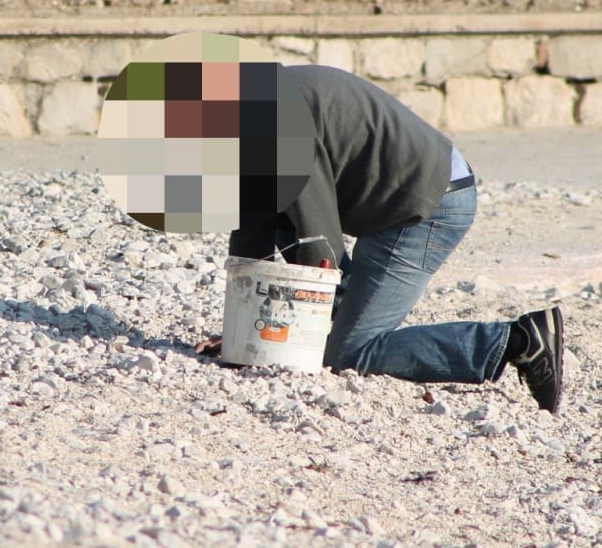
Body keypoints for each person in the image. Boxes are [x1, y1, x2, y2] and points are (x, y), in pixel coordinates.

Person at [208, 65, 564, 413]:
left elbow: (320, 246)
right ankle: (350, 315)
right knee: (282, 214)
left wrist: (267, 338)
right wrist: (244, 333)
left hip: (427, 207)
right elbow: (254, 219)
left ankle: (517, 340)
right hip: (410, 192)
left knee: (350, 354)